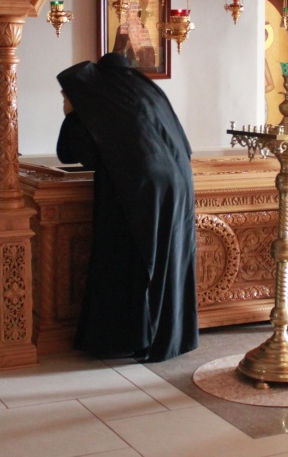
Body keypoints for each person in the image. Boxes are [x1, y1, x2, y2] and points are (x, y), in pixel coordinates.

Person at [56, 52, 199, 363]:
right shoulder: (147, 91)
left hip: (138, 192)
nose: (65, 101)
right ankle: (167, 335)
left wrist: (72, 113)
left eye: (65, 96)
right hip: (176, 184)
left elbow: (74, 153)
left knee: (133, 261)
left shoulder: (103, 102)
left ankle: (134, 337)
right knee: (167, 259)